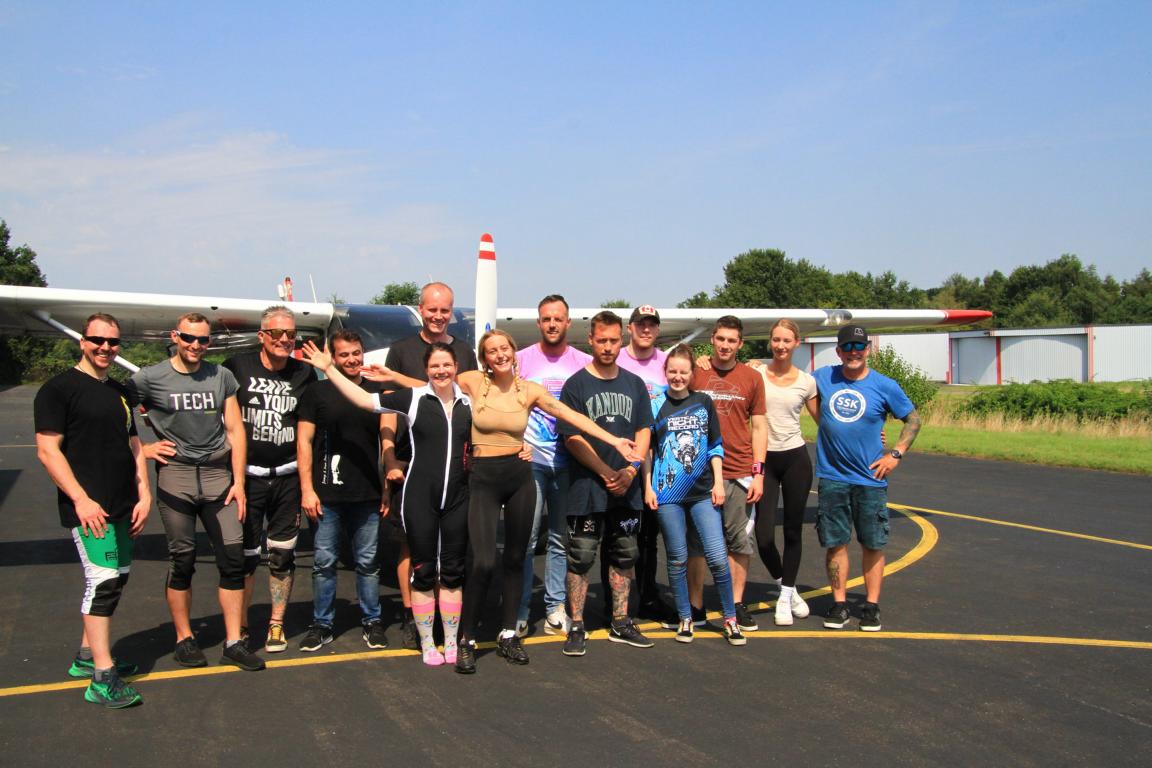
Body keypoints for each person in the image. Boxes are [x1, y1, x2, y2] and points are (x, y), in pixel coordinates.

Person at [363, 328, 639, 673]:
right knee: (482, 561)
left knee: (515, 559)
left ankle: (509, 633)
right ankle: (466, 638)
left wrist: (613, 440)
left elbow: (571, 416)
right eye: (492, 350)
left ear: (513, 351)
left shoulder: (529, 390)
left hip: (519, 476)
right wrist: (393, 377)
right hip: (482, 479)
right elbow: (432, 384)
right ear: (485, 358)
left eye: (504, 348)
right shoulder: (473, 382)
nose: (500, 354)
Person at [301, 340, 470, 668]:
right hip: (419, 497)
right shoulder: (413, 398)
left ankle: (450, 641)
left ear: (456, 368)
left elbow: (499, 425)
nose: (441, 371)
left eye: (447, 365)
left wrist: (522, 448)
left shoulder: (469, 401)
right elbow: (364, 399)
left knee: (452, 572)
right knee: (423, 571)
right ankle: (427, 643)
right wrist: (329, 369)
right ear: (426, 370)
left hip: (458, 498)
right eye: (435, 366)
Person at [128, 312, 264, 671]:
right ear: (175, 336)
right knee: (183, 560)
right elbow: (116, 412)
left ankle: (233, 642)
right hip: (177, 477)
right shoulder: (149, 378)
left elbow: (235, 429)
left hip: (219, 477)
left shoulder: (221, 376)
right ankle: (184, 638)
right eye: (189, 338)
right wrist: (143, 449)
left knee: (233, 560)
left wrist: (239, 482)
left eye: (203, 340)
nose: (195, 345)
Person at [34, 313, 152, 707]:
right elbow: (48, 451)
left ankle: (87, 656)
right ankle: (102, 678)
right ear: (83, 341)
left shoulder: (120, 391)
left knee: (118, 579)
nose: (105, 348)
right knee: (102, 583)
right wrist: (81, 500)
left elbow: (134, 445)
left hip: (123, 504)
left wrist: (144, 493)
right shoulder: (58, 389)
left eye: (113, 342)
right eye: (97, 340)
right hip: (90, 508)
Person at [382, 281, 478, 650]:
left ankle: (446, 621)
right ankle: (413, 616)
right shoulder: (400, 350)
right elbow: (389, 408)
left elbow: (469, 400)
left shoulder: (465, 352)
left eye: (445, 310)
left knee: (452, 551)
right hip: (411, 462)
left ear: (452, 312)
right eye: (432, 309)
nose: (438, 316)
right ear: (420, 309)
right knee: (412, 546)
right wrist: (389, 456)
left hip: (455, 467)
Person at [559, 311, 654, 658]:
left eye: (614, 340)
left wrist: (630, 470)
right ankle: (577, 624)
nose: (608, 347)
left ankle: (621, 621)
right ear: (591, 340)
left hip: (627, 488)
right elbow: (571, 438)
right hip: (587, 486)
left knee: (625, 552)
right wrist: (604, 471)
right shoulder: (575, 385)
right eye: (602, 340)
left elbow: (644, 430)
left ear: (622, 340)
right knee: (581, 554)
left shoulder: (634, 384)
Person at [223, 305, 317, 653]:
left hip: (287, 477)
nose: (284, 339)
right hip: (247, 478)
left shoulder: (304, 373)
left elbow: (313, 423)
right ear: (262, 335)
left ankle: (276, 623)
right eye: (277, 333)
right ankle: (242, 625)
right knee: (245, 557)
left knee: (282, 556)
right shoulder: (236, 367)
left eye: (291, 334)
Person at [815, 324, 920, 632]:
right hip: (833, 476)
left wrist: (896, 454)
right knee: (835, 543)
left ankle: (871, 606)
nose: (853, 352)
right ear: (838, 351)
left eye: (859, 346)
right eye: (847, 347)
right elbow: (786, 379)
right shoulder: (823, 377)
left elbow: (913, 419)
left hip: (870, 478)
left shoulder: (885, 385)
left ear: (868, 350)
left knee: (873, 543)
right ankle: (839, 604)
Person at [642, 344, 745, 646]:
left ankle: (730, 619)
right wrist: (648, 485)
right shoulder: (655, 404)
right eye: (672, 371)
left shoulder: (703, 402)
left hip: (702, 491)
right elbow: (648, 450)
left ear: (692, 373)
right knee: (677, 558)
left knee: (717, 557)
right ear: (665, 371)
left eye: (683, 372)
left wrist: (718, 482)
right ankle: (685, 617)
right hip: (667, 492)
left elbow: (715, 446)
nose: (677, 377)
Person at [296, 330, 388, 651]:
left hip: (368, 493)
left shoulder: (376, 392)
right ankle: (322, 624)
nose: (352, 359)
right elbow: (304, 442)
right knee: (324, 563)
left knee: (368, 563)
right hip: (326, 496)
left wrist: (387, 488)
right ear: (333, 359)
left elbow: (386, 443)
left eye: (356, 353)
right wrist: (307, 489)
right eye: (344, 354)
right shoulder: (316, 392)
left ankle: (372, 620)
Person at [514, 295, 592, 638]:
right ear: (538, 322)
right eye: (546, 319)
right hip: (531, 461)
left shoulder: (583, 362)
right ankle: (519, 610)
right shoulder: (520, 360)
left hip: (568, 461)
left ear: (568, 322)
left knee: (560, 538)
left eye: (558, 318)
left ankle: (554, 608)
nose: (552, 324)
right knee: (526, 537)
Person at [687, 316, 767, 632]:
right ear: (712, 339)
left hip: (738, 470)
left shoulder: (752, 377)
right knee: (697, 543)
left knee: (739, 541)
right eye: (720, 339)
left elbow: (759, 427)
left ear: (740, 344)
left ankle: (734, 604)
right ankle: (695, 605)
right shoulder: (697, 373)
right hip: (699, 472)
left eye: (731, 340)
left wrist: (758, 472)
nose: (725, 345)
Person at [750, 319, 819, 626]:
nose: (780, 345)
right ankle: (787, 588)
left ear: (796, 343)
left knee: (792, 531)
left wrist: (872, 437)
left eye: (786, 340)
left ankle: (784, 598)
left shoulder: (807, 382)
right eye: (776, 339)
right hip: (763, 460)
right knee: (764, 537)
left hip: (795, 460)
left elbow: (826, 423)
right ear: (770, 341)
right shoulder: (755, 374)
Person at [615, 304, 676, 628]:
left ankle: (648, 596)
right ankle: (616, 603)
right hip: (621, 457)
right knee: (619, 533)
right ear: (630, 327)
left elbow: (690, 379)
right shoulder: (616, 359)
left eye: (652, 324)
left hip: (658, 459)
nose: (646, 329)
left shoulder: (667, 363)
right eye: (641, 324)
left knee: (650, 536)